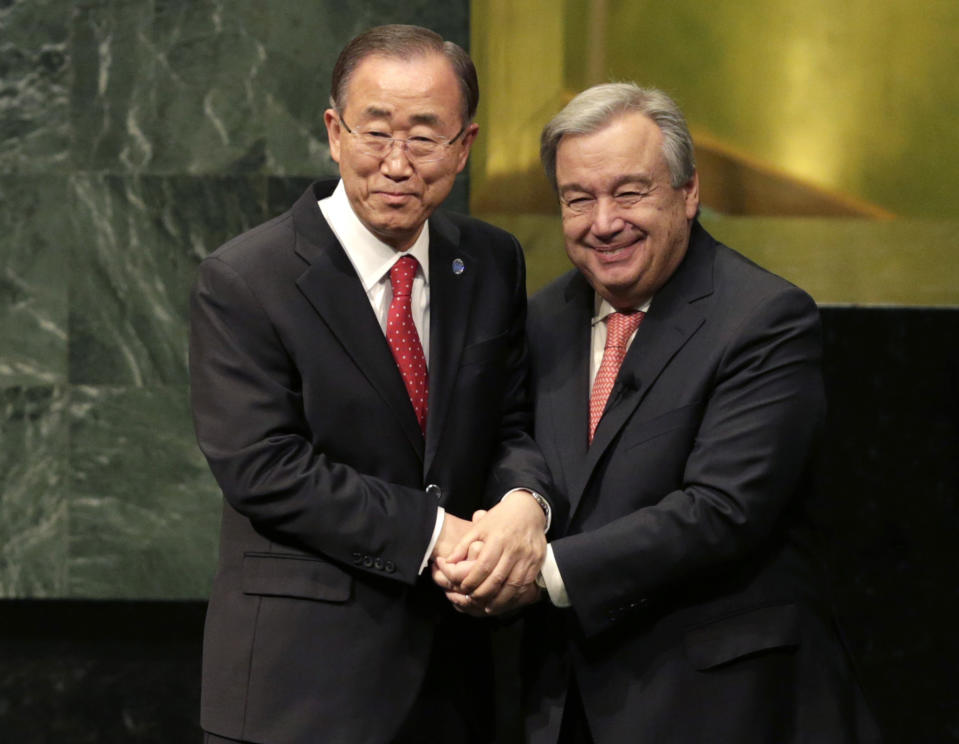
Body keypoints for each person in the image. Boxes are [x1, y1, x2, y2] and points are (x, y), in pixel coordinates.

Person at [440, 83, 881, 743]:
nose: (603, 221)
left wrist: (539, 570)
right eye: (577, 198)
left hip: (725, 707)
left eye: (628, 192)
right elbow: (515, 441)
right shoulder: (539, 320)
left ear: (688, 192)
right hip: (566, 707)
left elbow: (722, 509)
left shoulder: (763, 318)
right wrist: (520, 506)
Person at [189, 24, 551, 744]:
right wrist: (435, 534)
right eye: (374, 132)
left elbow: (512, 419)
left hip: (458, 684)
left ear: (464, 146)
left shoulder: (488, 261)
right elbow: (263, 467)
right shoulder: (247, 278)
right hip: (299, 691)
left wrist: (524, 502)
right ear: (333, 131)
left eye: (424, 137)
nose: (396, 163)